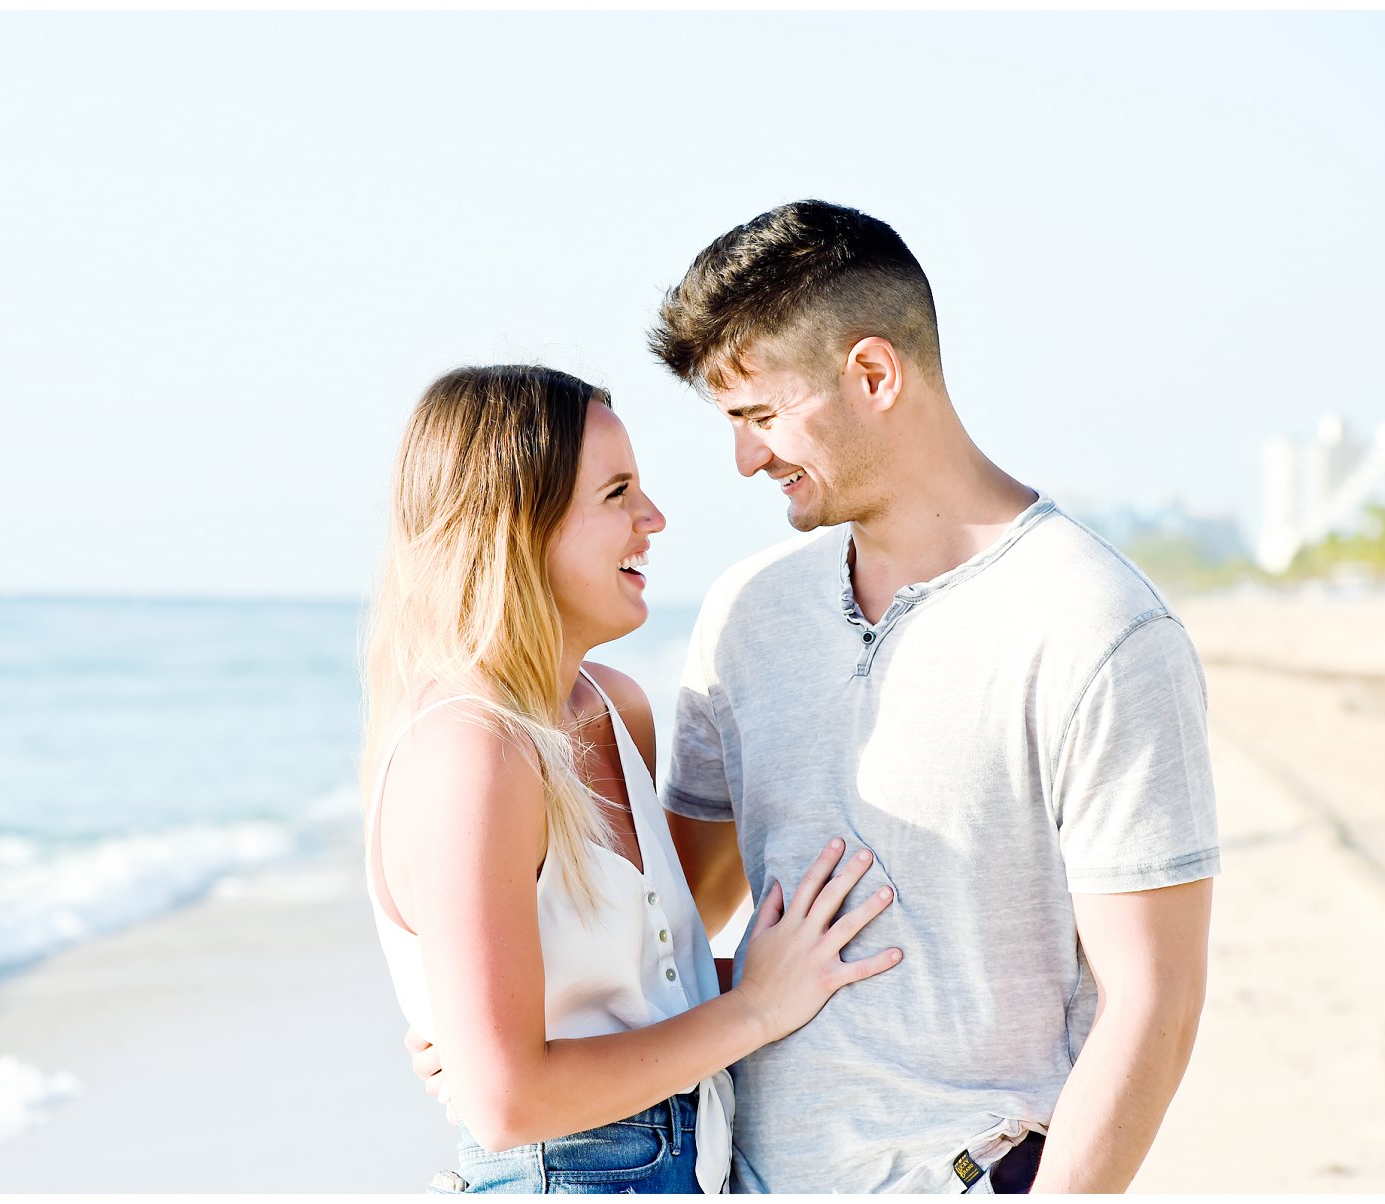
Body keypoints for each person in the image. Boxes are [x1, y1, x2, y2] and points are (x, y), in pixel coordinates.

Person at [411, 204, 1219, 1193]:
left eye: (759, 417)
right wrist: (516, 1029)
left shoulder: (1098, 628)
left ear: (873, 375)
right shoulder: (749, 611)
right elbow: (673, 924)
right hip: (732, 1179)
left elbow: (1156, 1000)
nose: (746, 459)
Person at [360, 364, 904, 1195]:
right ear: (515, 525)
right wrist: (754, 1008)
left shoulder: (614, 707)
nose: (654, 519)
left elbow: (646, 982)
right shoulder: (471, 752)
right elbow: (507, 1103)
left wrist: (789, 971)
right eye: (617, 494)